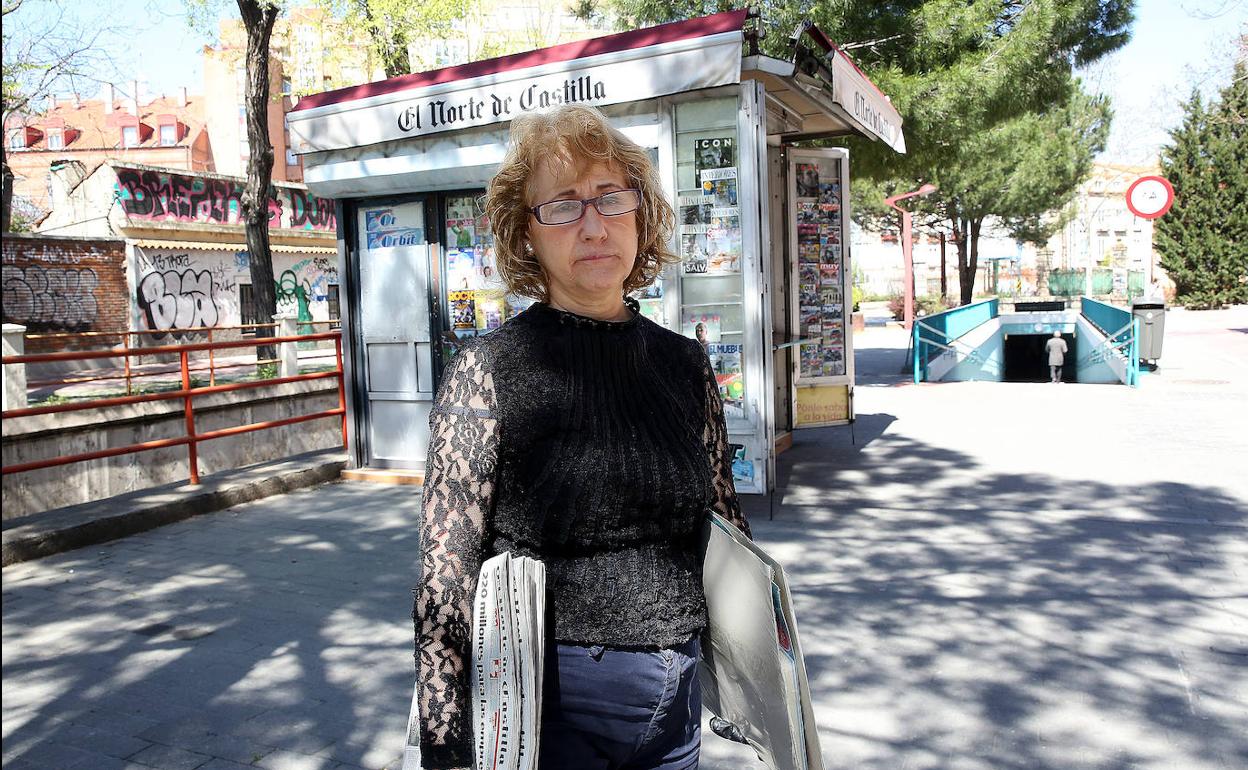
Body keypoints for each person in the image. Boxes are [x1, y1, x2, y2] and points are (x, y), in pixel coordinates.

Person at [414, 104, 751, 770]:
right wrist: (445, 749)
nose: (593, 225)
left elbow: (723, 523)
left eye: (609, 197)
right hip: (545, 708)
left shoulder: (684, 363)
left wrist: (758, 660)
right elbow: (442, 576)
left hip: (677, 702)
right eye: (563, 206)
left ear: (641, 214)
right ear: (526, 238)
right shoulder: (488, 369)